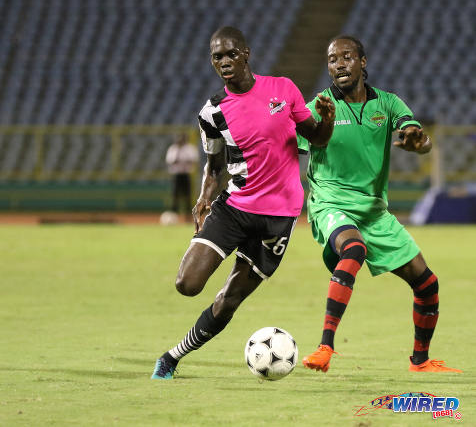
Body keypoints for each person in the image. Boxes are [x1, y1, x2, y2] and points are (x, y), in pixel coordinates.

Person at [151, 26, 335, 379]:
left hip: (279, 217)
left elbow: (317, 139)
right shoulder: (212, 112)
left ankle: (172, 357)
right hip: (235, 206)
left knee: (229, 299)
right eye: (217, 56)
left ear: (246, 54)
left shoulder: (283, 89)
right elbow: (214, 164)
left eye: (230, 54)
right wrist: (204, 197)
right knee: (186, 284)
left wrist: (326, 121)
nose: (224, 61)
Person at [297, 35, 461, 373]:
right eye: (332, 59)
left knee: (427, 283)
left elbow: (416, 135)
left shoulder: (387, 104)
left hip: (373, 211)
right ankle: (325, 347)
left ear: (362, 62)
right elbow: (295, 145)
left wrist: (420, 142)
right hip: (330, 202)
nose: (338, 64)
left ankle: (420, 360)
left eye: (346, 57)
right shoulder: (320, 105)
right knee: (353, 249)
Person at [165, 133, 199, 220]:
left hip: (186, 174)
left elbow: (193, 160)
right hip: (177, 174)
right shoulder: (173, 148)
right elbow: (171, 161)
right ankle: (174, 214)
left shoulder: (190, 148)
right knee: (175, 194)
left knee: (187, 195)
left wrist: (184, 160)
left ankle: (188, 214)